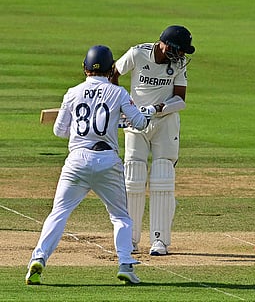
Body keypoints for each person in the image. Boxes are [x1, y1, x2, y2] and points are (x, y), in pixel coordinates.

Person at [25, 45, 157, 285]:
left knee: (59, 213)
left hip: (77, 160)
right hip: (107, 161)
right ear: (110, 69)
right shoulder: (118, 93)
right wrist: (146, 111)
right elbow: (138, 123)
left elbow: (59, 131)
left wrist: (79, 129)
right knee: (120, 217)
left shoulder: (72, 92)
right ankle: (126, 264)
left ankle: (39, 258)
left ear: (85, 68)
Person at [111, 25, 195, 256]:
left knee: (162, 177)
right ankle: (130, 239)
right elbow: (113, 73)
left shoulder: (177, 65)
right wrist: (124, 105)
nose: (181, 56)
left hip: (165, 123)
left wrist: (157, 108)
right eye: (179, 51)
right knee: (133, 178)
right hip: (136, 123)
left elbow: (180, 99)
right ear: (166, 45)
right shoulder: (138, 53)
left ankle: (160, 241)